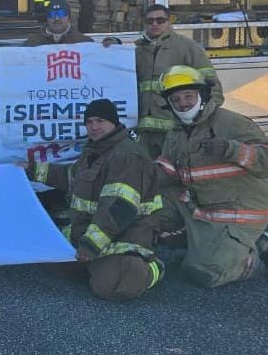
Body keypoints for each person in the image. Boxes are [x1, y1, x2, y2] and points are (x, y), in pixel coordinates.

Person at [153, 65, 268, 288]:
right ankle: (207, 245)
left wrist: (230, 149)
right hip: (203, 208)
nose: (183, 103)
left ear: (202, 96)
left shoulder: (231, 122)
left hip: (240, 212)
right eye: (176, 99)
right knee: (150, 207)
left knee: (205, 273)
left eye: (188, 96)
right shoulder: (176, 133)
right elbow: (166, 172)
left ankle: (253, 251)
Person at [27, 99, 165, 300]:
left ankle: (152, 268)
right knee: (50, 261)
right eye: (89, 122)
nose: (94, 127)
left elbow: (119, 208)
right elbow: (71, 177)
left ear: (114, 123)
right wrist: (32, 170)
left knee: (111, 286)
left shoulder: (126, 156)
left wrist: (90, 246)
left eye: (100, 121)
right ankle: (97, 265)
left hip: (126, 236)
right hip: (92, 231)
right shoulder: (95, 150)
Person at [135, 5, 224, 159]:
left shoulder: (187, 47)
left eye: (160, 20)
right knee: (147, 174)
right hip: (145, 132)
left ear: (169, 22)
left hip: (176, 129)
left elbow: (211, 85)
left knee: (177, 172)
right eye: (150, 21)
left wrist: (201, 118)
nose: (155, 24)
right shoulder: (139, 51)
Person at [22, 0, 93, 46]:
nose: (57, 18)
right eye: (52, 14)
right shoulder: (32, 44)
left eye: (61, 14)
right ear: (47, 18)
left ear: (68, 17)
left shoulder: (84, 43)